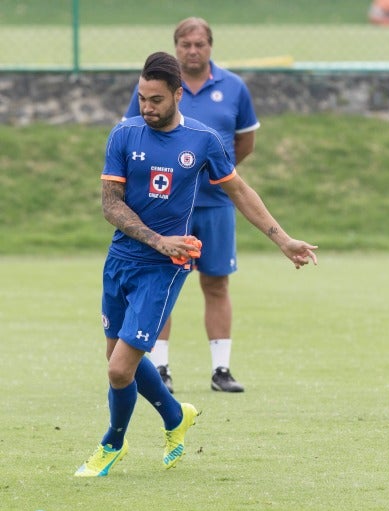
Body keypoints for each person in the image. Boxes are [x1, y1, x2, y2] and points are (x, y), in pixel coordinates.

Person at [75, 51, 318, 478]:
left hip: (165, 269)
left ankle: (113, 442)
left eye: (155, 100)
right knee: (119, 357)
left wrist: (283, 240)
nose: (146, 108)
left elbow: (240, 191)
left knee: (118, 370)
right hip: (121, 260)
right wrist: (156, 239)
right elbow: (110, 205)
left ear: (177, 94)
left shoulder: (203, 141)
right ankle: (175, 417)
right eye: (142, 98)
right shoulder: (123, 134)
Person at [124, 17, 260, 394]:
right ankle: (160, 368)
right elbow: (131, 137)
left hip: (215, 205)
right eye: (185, 44)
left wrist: (214, 172)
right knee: (160, 283)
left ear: (210, 45)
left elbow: (244, 144)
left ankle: (221, 371)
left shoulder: (233, 88)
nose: (193, 50)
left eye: (200, 44)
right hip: (166, 208)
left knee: (216, 283)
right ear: (176, 47)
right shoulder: (157, 88)